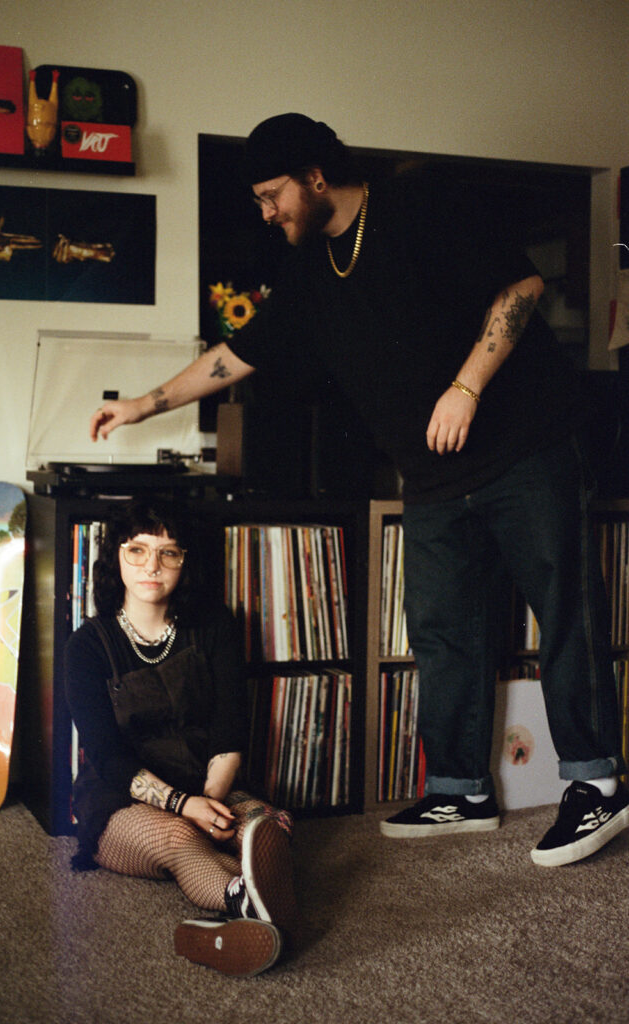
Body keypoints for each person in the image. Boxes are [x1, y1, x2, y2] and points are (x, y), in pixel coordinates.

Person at [89, 113, 629, 868]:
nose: (267, 211)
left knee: (563, 606)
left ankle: (596, 783)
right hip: (436, 474)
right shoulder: (311, 270)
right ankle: (460, 787)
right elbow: (237, 354)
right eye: (256, 201)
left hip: (526, 446)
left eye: (272, 194)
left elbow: (522, 284)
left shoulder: (418, 206)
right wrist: (143, 405)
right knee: (442, 628)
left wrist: (467, 386)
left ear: (316, 176)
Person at [64, 498, 299, 978]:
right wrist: (186, 810)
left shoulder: (214, 625)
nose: (152, 565)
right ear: (117, 559)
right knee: (178, 837)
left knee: (263, 824)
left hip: (207, 782)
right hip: (121, 799)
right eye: (137, 550)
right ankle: (245, 902)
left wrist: (209, 803)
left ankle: (228, 926)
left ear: (184, 562)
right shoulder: (86, 647)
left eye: (169, 553)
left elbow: (231, 729)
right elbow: (108, 758)